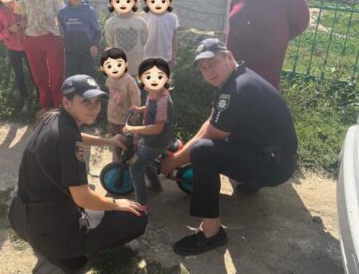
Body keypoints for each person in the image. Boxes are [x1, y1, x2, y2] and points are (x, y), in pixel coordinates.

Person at [161, 38, 298, 256]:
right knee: (207, 143)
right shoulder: (234, 79)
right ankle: (253, 181)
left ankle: (211, 232)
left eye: (213, 63)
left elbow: (211, 136)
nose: (209, 72)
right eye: (203, 68)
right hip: (274, 155)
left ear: (229, 57)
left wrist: (173, 162)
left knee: (202, 152)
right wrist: (179, 155)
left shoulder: (237, 89)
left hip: (275, 166)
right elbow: (211, 122)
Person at [8, 74, 147, 273]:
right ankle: (62, 250)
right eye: (86, 102)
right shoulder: (68, 139)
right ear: (67, 102)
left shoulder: (51, 117)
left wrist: (108, 141)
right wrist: (117, 203)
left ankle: (60, 251)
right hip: (48, 230)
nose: (94, 108)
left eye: (97, 102)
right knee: (138, 217)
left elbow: (75, 136)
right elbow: (83, 198)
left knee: (75, 245)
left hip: (21, 218)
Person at [226, 0, 310, 89]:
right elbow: (233, 13)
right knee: (230, 98)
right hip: (233, 63)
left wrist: (277, 37)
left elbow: (301, 22)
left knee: (260, 100)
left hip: (266, 66)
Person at [123, 58, 176, 211]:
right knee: (144, 162)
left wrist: (133, 129)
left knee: (135, 167)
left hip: (156, 142)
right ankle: (156, 185)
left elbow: (157, 128)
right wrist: (139, 109)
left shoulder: (163, 102)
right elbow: (149, 107)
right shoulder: (154, 92)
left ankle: (141, 204)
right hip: (151, 140)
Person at [16, 0, 66, 109]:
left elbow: (62, 15)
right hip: (31, 40)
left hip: (51, 38)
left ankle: (59, 106)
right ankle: (45, 106)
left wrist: (62, 34)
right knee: (40, 77)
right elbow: (21, 17)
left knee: (56, 75)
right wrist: (21, 35)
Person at [0, 0, 33, 113]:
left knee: (35, 73)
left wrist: (25, 22)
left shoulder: (22, 6)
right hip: (13, 49)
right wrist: (9, 30)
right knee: (19, 75)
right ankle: (25, 100)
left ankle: (41, 99)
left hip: (28, 46)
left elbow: (33, 18)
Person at [58, 0, 101, 78]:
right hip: (70, 53)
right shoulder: (62, 12)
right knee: (72, 78)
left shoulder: (90, 11)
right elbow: (61, 32)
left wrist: (94, 45)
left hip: (87, 52)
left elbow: (97, 31)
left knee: (88, 78)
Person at [101, 47, 141, 162]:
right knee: (116, 145)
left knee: (129, 146)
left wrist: (134, 115)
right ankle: (116, 166)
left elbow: (135, 98)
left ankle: (129, 165)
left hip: (126, 121)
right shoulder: (110, 78)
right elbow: (111, 94)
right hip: (112, 118)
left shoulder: (129, 81)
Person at [105, 0, 148, 78]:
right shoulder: (111, 23)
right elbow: (110, 42)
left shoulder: (140, 22)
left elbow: (144, 40)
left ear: (134, 2)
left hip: (137, 67)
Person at [142, 0, 179, 68]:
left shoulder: (172, 18)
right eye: (153, 0)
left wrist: (173, 59)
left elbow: (174, 40)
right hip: (146, 58)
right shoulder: (143, 16)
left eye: (163, 0)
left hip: (166, 59)